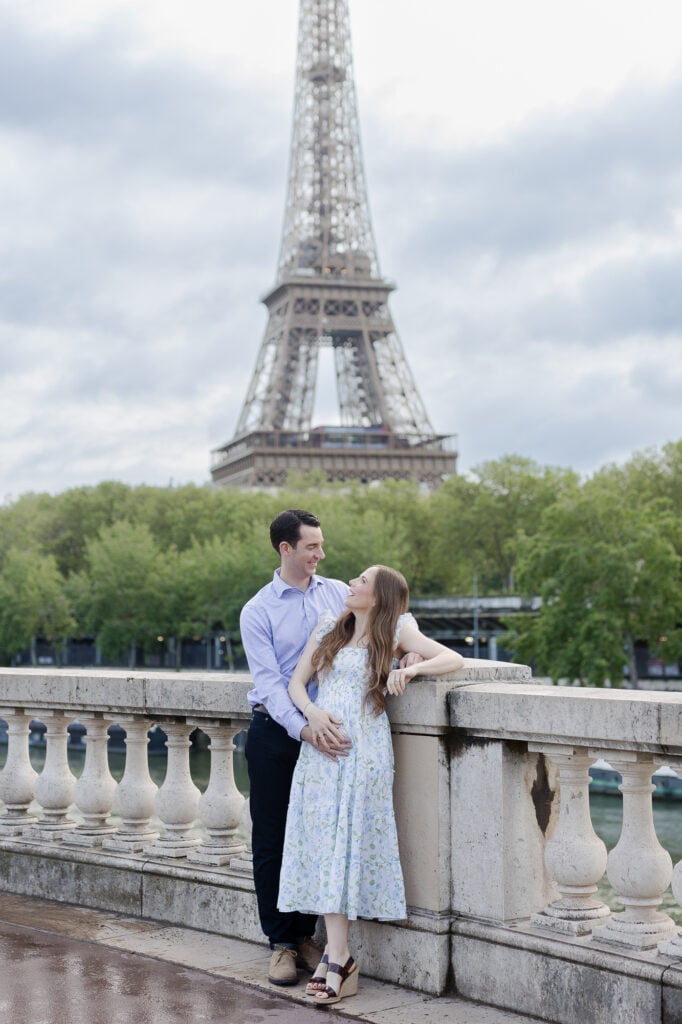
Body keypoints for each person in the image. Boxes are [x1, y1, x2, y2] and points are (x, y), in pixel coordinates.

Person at [278, 564, 464, 1005]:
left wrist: (412, 668)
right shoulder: (330, 626)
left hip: (365, 755)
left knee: (347, 846)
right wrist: (313, 714)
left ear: (378, 596)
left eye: (361, 580)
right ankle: (338, 955)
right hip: (322, 751)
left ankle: (337, 957)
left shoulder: (396, 629)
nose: (351, 584)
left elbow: (453, 658)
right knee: (325, 846)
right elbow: (296, 683)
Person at [240, 509, 352, 986]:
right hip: (276, 733)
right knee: (272, 839)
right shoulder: (257, 610)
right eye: (311, 547)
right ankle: (282, 944)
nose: (320, 555)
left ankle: (308, 935)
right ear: (286, 549)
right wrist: (302, 728)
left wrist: (408, 655)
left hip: (327, 734)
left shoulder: (339, 593)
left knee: (316, 837)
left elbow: (379, 627)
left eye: (321, 546)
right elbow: (269, 685)